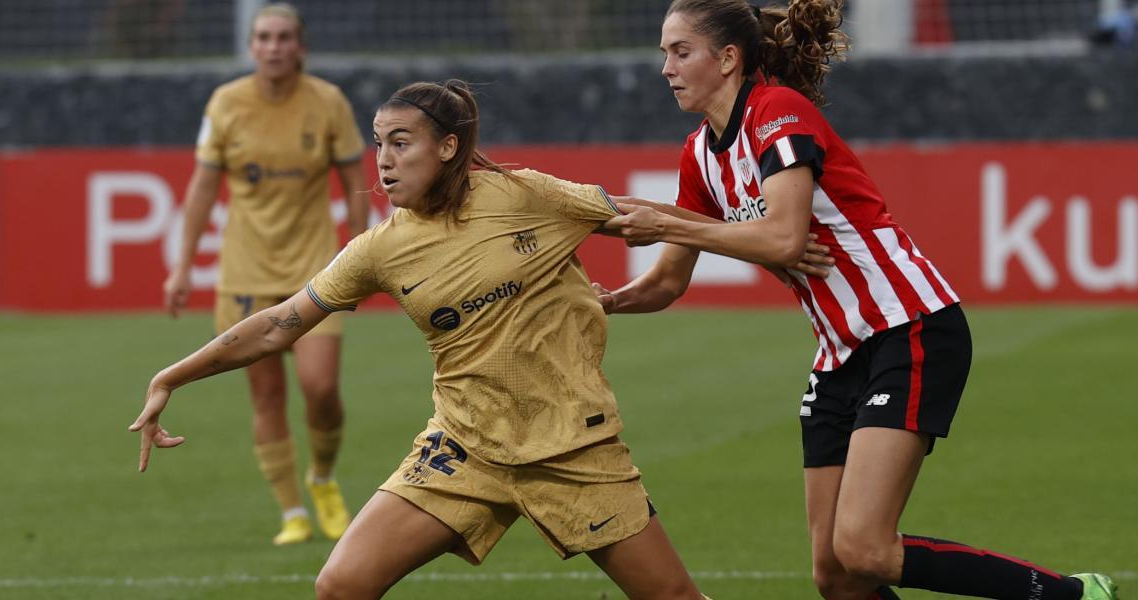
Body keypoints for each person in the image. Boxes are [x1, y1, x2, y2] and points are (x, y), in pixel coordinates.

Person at [595, 1, 1120, 599]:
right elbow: (667, 283)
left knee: (865, 547)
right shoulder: (699, 155)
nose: (665, 67)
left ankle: (1073, 596)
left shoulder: (777, 112)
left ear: (729, 58)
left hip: (908, 326)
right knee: (837, 577)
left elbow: (784, 237)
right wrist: (608, 302)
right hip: (840, 353)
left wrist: (671, 223)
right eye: (665, 52)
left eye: (680, 51)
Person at [133, 79, 709, 600]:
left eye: (401, 143)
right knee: (340, 586)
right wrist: (171, 376)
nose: (383, 161)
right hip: (466, 445)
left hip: (568, 445)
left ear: (448, 148)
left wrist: (762, 245)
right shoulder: (378, 248)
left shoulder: (523, 195)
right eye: (379, 143)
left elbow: (653, 217)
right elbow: (277, 323)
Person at [162, 2, 368, 546]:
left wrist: (362, 250)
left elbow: (355, 179)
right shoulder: (226, 103)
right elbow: (204, 187)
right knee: (267, 396)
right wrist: (182, 265)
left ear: (300, 46)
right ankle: (292, 512)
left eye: (284, 38)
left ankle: (322, 478)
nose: (274, 46)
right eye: (264, 38)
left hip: (314, 272)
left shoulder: (328, 102)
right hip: (245, 274)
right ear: (252, 47)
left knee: (320, 389)